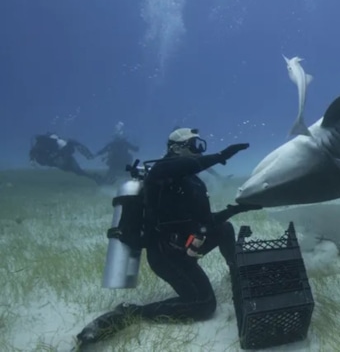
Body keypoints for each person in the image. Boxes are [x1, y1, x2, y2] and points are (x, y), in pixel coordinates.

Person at [76, 128, 255, 345]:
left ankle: (237, 272)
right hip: (166, 255)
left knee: (224, 228)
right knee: (204, 306)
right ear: (175, 148)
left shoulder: (192, 181)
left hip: (187, 247)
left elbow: (206, 222)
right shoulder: (160, 172)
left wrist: (234, 209)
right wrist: (221, 156)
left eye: (201, 145)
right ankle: (130, 312)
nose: (199, 151)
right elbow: (188, 165)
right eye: (194, 145)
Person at [28, 132, 104, 184]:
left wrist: (64, 157)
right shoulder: (41, 146)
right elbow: (33, 152)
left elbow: (70, 148)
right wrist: (32, 161)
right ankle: (94, 177)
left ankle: (94, 177)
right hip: (60, 162)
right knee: (78, 172)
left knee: (78, 172)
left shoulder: (58, 142)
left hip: (65, 161)